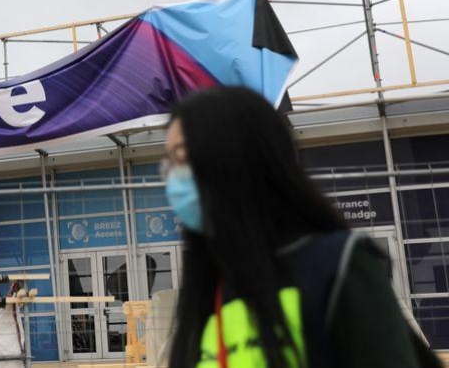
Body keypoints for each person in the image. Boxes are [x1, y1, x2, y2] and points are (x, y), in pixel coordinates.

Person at [163, 86, 440, 368]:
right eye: (169, 164)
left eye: (182, 159)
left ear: (237, 158)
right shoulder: (210, 286)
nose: (172, 178)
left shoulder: (336, 267)